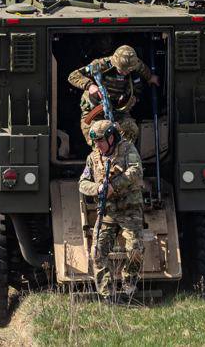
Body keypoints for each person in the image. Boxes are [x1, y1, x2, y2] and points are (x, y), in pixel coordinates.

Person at [78, 119, 144, 300]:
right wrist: (98, 189)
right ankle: (107, 294)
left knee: (135, 250)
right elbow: (82, 183)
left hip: (129, 210)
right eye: (95, 142)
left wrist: (114, 186)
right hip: (107, 212)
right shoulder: (93, 158)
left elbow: (136, 171)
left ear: (111, 138)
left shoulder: (127, 149)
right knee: (97, 253)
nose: (97, 145)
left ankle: (129, 282)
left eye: (100, 141)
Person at [67, 44, 159, 144]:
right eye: (121, 70)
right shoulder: (101, 65)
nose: (124, 73)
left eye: (128, 71)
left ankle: (122, 154)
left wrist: (150, 77)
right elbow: (73, 76)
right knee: (96, 140)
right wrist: (90, 86)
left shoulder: (134, 63)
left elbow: (143, 68)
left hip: (118, 112)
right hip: (95, 110)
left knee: (132, 131)